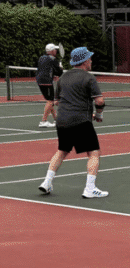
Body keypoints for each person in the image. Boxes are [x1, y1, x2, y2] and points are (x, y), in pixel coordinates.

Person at [38, 46, 108, 199]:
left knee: (62, 151)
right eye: (89, 58)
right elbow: (100, 100)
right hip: (81, 121)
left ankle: (47, 182)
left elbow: (56, 102)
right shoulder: (89, 77)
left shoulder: (63, 78)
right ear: (84, 61)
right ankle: (90, 188)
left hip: (62, 121)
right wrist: (99, 114)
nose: (91, 61)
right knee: (94, 153)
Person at [35, 43, 63, 128]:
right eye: (55, 49)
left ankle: (56, 119)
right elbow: (59, 72)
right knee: (50, 101)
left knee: (49, 101)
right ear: (51, 51)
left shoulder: (41, 58)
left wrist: (53, 75)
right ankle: (43, 121)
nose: (56, 51)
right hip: (47, 81)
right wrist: (60, 68)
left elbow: (44, 69)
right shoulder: (53, 59)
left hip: (39, 80)